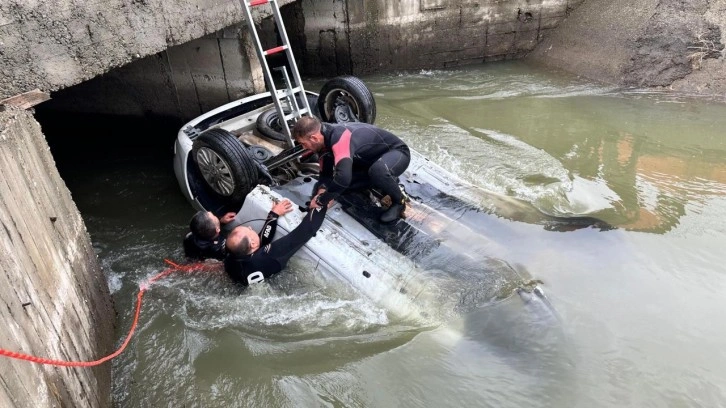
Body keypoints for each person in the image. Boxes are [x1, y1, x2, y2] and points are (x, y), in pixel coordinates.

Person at [292, 116, 410, 223]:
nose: (303, 148)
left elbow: (343, 178)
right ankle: (379, 182)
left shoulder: (339, 138)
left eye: (303, 143)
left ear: (313, 138)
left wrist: (321, 201)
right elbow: (326, 175)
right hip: (368, 161)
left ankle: (399, 203)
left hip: (397, 153)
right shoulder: (322, 141)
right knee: (341, 188)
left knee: (376, 171)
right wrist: (322, 191)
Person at [224, 199, 328, 286]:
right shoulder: (268, 256)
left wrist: (273, 215)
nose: (250, 227)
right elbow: (304, 232)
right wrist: (322, 205)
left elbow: (261, 241)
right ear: (252, 244)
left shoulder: (230, 258)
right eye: (249, 230)